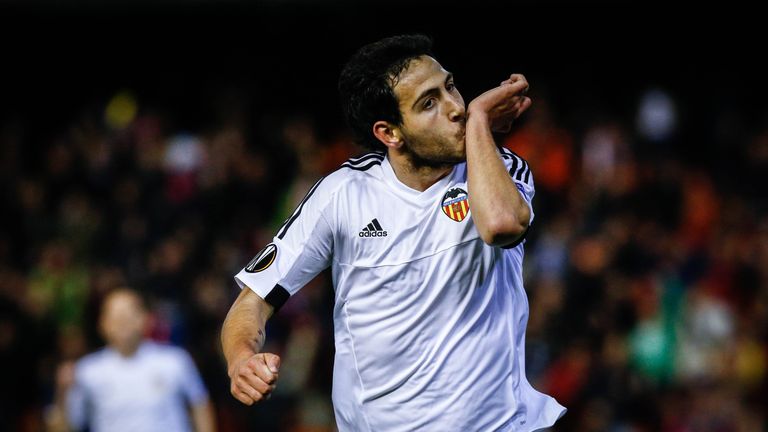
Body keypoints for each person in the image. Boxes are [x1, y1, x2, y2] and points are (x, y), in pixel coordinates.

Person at [221, 34, 566, 431]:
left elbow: (502, 225)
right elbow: (253, 301)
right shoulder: (343, 194)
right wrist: (241, 359)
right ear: (389, 133)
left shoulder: (497, 168)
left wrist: (480, 122)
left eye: (450, 87)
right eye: (429, 103)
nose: (456, 107)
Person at [49, 288, 216, 432]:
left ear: (146, 319)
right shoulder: (86, 370)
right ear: (102, 324)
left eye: (129, 314)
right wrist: (62, 393)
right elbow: (64, 426)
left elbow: (200, 405)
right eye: (116, 316)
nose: (123, 321)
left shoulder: (175, 360)